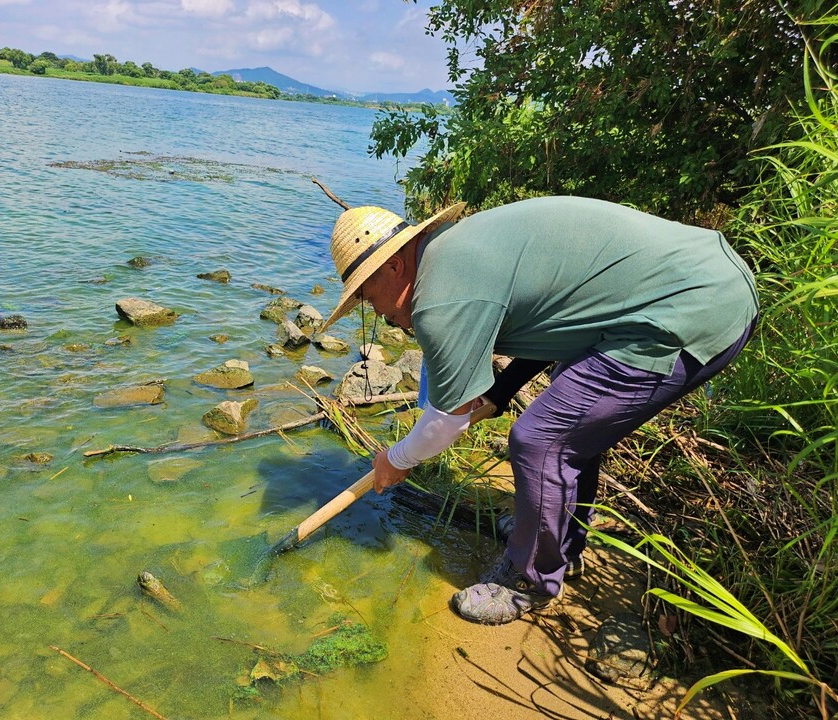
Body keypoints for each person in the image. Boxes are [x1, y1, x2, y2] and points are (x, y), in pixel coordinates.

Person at [318, 195, 759, 625]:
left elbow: (445, 421)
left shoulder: (440, 297)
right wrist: (500, 392)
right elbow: (556, 320)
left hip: (692, 307)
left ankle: (529, 579)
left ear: (395, 266)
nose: (375, 311)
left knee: (540, 440)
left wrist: (395, 460)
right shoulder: (455, 252)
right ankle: (561, 546)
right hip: (703, 278)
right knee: (572, 415)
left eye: (367, 296)